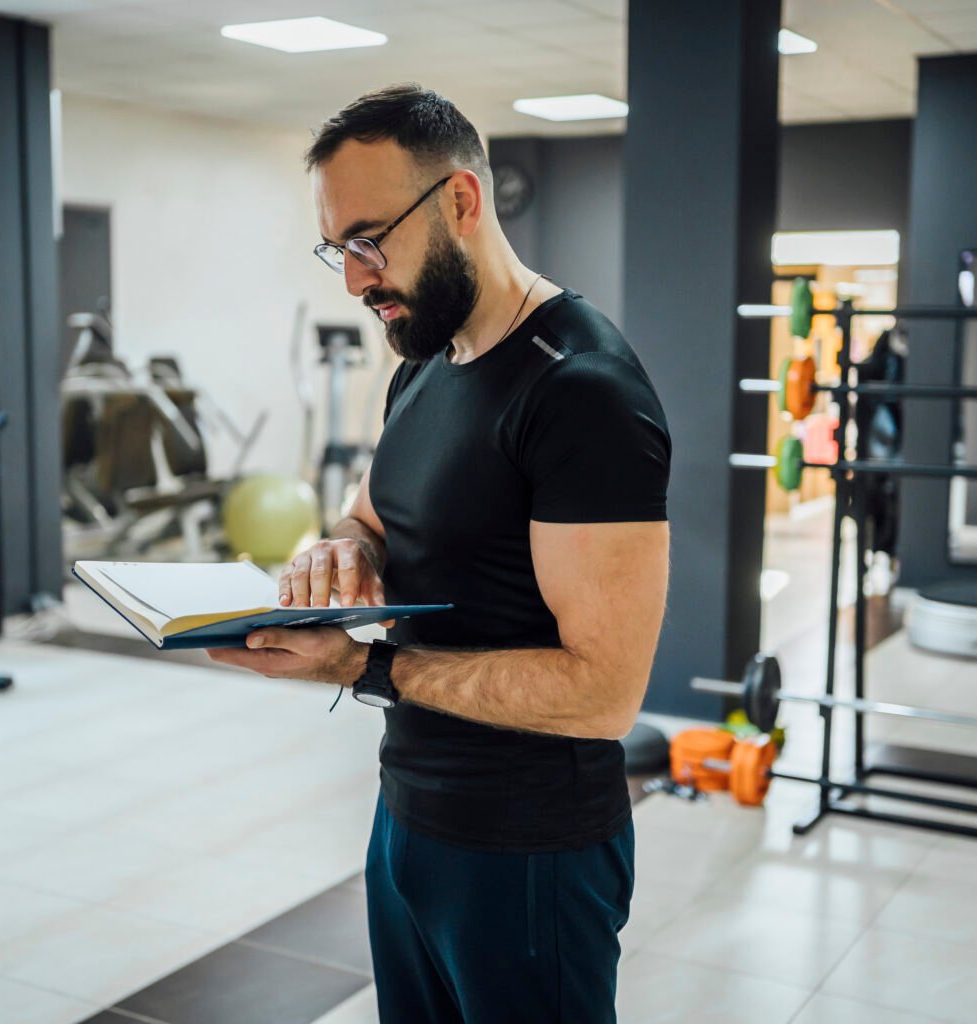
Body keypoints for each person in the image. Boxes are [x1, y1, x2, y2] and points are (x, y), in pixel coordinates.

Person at [206, 84, 671, 1023]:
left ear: (461, 202)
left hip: (530, 848)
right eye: (340, 250)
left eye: (371, 241)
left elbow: (604, 693)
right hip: (408, 815)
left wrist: (366, 665)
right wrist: (335, 556)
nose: (355, 279)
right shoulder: (425, 357)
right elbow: (369, 514)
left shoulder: (582, 392)